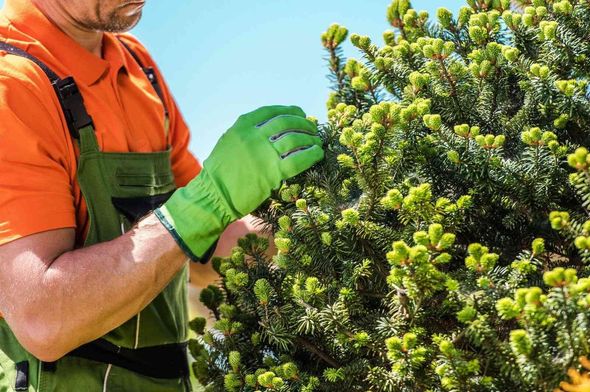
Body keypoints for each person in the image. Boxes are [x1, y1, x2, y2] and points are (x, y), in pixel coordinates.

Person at [0, 0, 325, 390]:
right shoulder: (11, 84)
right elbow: (43, 319)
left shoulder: (137, 66)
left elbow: (201, 254)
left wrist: (319, 222)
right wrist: (206, 203)